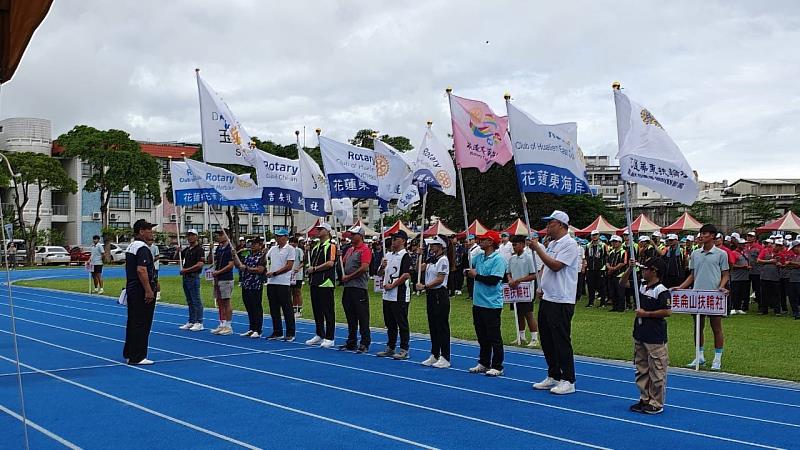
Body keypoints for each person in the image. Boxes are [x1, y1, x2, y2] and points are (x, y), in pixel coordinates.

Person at [531, 210, 581, 394]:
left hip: (561, 299)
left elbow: (556, 266)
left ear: (560, 224)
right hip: (548, 297)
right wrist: (540, 285)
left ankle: (568, 379)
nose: (547, 227)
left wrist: (538, 249)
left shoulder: (569, 244)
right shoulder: (552, 243)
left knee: (561, 339)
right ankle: (554, 374)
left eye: (550, 223)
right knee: (547, 338)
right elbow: (545, 267)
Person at [619, 257, 671, 415]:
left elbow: (667, 311)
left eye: (645, 268)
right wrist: (629, 269)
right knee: (642, 368)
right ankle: (645, 398)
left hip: (655, 336)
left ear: (654, 271)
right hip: (640, 333)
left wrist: (646, 314)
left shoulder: (661, 290)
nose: (642, 271)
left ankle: (656, 402)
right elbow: (622, 284)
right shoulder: (640, 285)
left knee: (657, 370)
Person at [674, 223, 730, 371]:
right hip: (697, 295)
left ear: (712, 236)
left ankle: (717, 358)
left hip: (713, 295)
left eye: (705, 233)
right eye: (701, 233)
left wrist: (722, 286)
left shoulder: (721, 254)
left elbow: (725, 274)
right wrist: (680, 287)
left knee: (716, 327)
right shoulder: (695, 253)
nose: (702, 236)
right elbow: (692, 275)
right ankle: (699, 356)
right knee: (698, 326)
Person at [464, 230, 507, 377]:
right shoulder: (480, 257)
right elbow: (467, 264)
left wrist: (477, 276)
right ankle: (483, 362)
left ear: (490, 242)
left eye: (483, 240)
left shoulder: (498, 259)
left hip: (491, 303)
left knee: (494, 336)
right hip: (478, 302)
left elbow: (494, 280)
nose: (479, 242)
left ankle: (497, 365)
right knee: (481, 335)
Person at [123, 219, 157, 365]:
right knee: (142, 323)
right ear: (141, 231)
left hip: (132, 288)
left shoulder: (131, 246)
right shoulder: (142, 248)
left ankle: (130, 352)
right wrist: (149, 290)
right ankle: (138, 356)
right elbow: (141, 270)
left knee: (133, 322)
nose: (151, 232)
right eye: (149, 229)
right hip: (140, 290)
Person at [417, 234, 453, 368]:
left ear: (441, 246)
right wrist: (419, 256)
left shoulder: (443, 260)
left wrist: (425, 286)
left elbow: (440, 279)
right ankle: (434, 354)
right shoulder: (432, 259)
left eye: (433, 244)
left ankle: (445, 356)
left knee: (441, 325)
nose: (431, 246)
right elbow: (418, 269)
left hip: (439, 294)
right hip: (431, 294)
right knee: (433, 325)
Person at [377, 230, 412, 360]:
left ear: (403, 240)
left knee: (401, 322)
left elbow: (406, 274)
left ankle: (404, 348)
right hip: (387, 295)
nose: (393, 240)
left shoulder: (405, 256)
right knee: (390, 322)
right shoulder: (388, 255)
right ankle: (391, 346)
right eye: (393, 238)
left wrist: (393, 285)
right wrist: (382, 266)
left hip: (399, 294)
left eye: (396, 238)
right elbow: (380, 274)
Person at [339, 226, 372, 353]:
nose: (351, 236)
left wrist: (349, 277)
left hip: (358, 287)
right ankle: (351, 341)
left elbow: (364, 268)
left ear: (360, 235)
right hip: (348, 287)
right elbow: (344, 264)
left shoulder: (365, 250)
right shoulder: (350, 250)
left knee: (362, 316)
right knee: (350, 316)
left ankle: (365, 342)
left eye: (353, 234)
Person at [305, 223, 337, 348]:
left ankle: (330, 337)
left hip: (326, 282)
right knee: (317, 310)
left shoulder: (331, 246)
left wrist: (315, 269)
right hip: (315, 282)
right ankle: (319, 333)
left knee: (328, 311)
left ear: (327, 231)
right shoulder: (316, 246)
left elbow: (330, 263)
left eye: (320, 229)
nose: (318, 231)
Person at [506, 235, 539, 347]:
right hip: (514, 290)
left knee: (528, 313)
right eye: (512, 245)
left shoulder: (528, 257)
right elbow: (508, 272)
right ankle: (521, 336)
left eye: (515, 245)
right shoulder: (512, 258)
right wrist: (511, 280)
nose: (514, 247)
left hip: (526, 290)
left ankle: (534, 337)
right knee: (518, 313)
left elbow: (534, 275)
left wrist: (519, 280)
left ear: (522, 245)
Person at [265, 228, 296, 341]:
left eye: (280, 236)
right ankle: (277, 331)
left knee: (287, 308)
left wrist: (275, 273)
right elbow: (266, 259)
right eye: (276, 236)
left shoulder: (290, 249)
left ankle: (290, 333)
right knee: (274, 308)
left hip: (283, 282)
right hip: (271, 282)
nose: (277, 238)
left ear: (286, 237)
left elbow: (289, 266)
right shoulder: (273, 248)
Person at [235, 236, 267, 338]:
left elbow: (260, 270)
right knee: (249, 306)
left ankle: (258, 329)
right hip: (246, 283)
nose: (252, 246)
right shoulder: (247, 254)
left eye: (255, 244)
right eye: (251, 244)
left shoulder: (262, 255)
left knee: (256, 306)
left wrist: (247, 268)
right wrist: (234, 256)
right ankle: (252, 328)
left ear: (260, 245)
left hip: (256, 284)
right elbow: (239, 265)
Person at [210, 229, 235, 336]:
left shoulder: (230, 248)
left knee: (226, 301)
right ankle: (222, 322)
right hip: (218, 278)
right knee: (219, 302)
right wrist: (211, 250)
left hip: (226, 278)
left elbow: (230, 265)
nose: (219, 237)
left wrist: (218, 272)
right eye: (218, 235)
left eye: (221, 234)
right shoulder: (219, 248)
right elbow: (212, 260)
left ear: (227, 236)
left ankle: (228, 325)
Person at [179, 229, 205, 331]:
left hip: (193, 276)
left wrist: (186, 270)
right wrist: (178, 251)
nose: (190, 237)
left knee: (196, 300)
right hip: (186, 278)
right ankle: (191, 321)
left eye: (192, 235)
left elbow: (200, 264)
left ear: (196, 236)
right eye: (188, 235)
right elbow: (177, 257)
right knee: (190, 300)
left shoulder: (199, 250)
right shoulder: (187, 249)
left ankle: (199, 322)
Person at [757, 239, 782, 315]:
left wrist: (779, 264)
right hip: (765, 276)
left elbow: (784, 264)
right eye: (776, 245)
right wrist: (770, 261)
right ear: (773, 245)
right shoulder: (765, 251)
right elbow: (758, 260)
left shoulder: (781, 253)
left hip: (775, 276)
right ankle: (764, 310)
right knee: (764, 294)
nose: (777, 247)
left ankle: (777, 311)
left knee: (776, 294)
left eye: (779, 246)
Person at [728, 238, 751, 315]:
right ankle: (733, 307)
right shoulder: (734, 253)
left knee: (742, 293)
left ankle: (738, 307)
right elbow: (732, 265)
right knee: (735, 292)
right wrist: (742, 267)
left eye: (744, 244)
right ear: (738, 244)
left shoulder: (745, 252)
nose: (744, 245)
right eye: (742, 244)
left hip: (744, 276)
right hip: (736, 277)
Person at [606, 235, 628, 312]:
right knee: (612, 291)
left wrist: (613, 268)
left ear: (620, 242)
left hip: (620, 274)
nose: (614, 243)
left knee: (620, 292)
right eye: (612, 242)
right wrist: (609, 268)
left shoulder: (623, 252)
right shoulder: (611, 252)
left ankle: (621, 307)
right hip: (611, 274)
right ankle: (614, 306)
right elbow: (607, 262)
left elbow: (623, 263)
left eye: (615, 242)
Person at [585, 230, 607, 307]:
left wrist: (604, 266)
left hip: (600, 269)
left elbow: (606, 256)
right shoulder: (588, 245)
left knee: (601, 286)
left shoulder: (603, 245)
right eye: (593, 235)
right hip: (590, 269)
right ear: (591, 236)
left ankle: (603, 303)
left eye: (596, 235)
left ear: (598, 235)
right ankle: (590, 302)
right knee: (590, 286)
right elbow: (586, 256)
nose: (594, 236)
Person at [744, 232, 763, 312]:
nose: (749, 238)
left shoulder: (759, 247)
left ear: (755, 238)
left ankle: (760, 306)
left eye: (751, 236)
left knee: (758, 289)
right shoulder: (745, 246)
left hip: (756, 271)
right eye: (748, 236)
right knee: (745, 289)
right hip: (746, 272)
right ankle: (745, 306)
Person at [289, 236, 304, 318]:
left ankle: (299, 309)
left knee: (297, 292)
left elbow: (302, 262)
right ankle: (293, 309)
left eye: (293, 242)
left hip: (297, 275)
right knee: (291, 292)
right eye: (290, 242)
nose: (291, 244)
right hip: (289, 274)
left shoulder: (299, 250)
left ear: (296, 243)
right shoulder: (288, 250)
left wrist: (298, 268)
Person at [786, 240, 800, 319]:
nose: (792, 251)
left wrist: (791, 263)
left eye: (793, 249)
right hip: (792, 279)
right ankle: (796, 312)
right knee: (792, 297)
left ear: (797, 247)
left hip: (798, 280)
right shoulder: (795, 256)